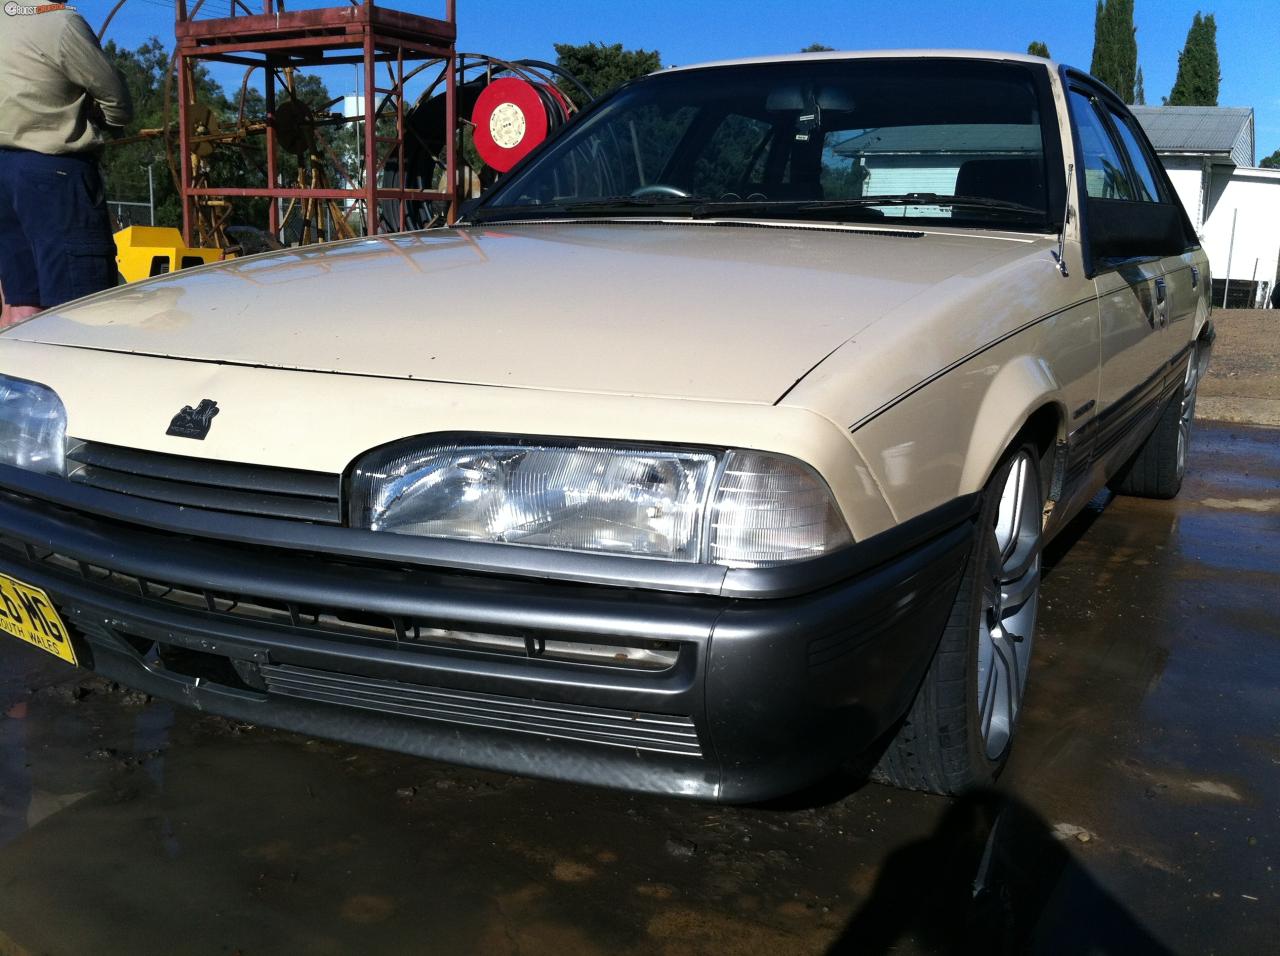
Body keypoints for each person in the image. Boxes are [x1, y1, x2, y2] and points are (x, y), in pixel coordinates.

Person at [0, 2, 131, 327]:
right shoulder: (58, 22)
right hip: (54, 176)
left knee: (21, 307)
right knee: (83, 309)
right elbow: (117, 102)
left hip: (4, 175)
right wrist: (105, 120)